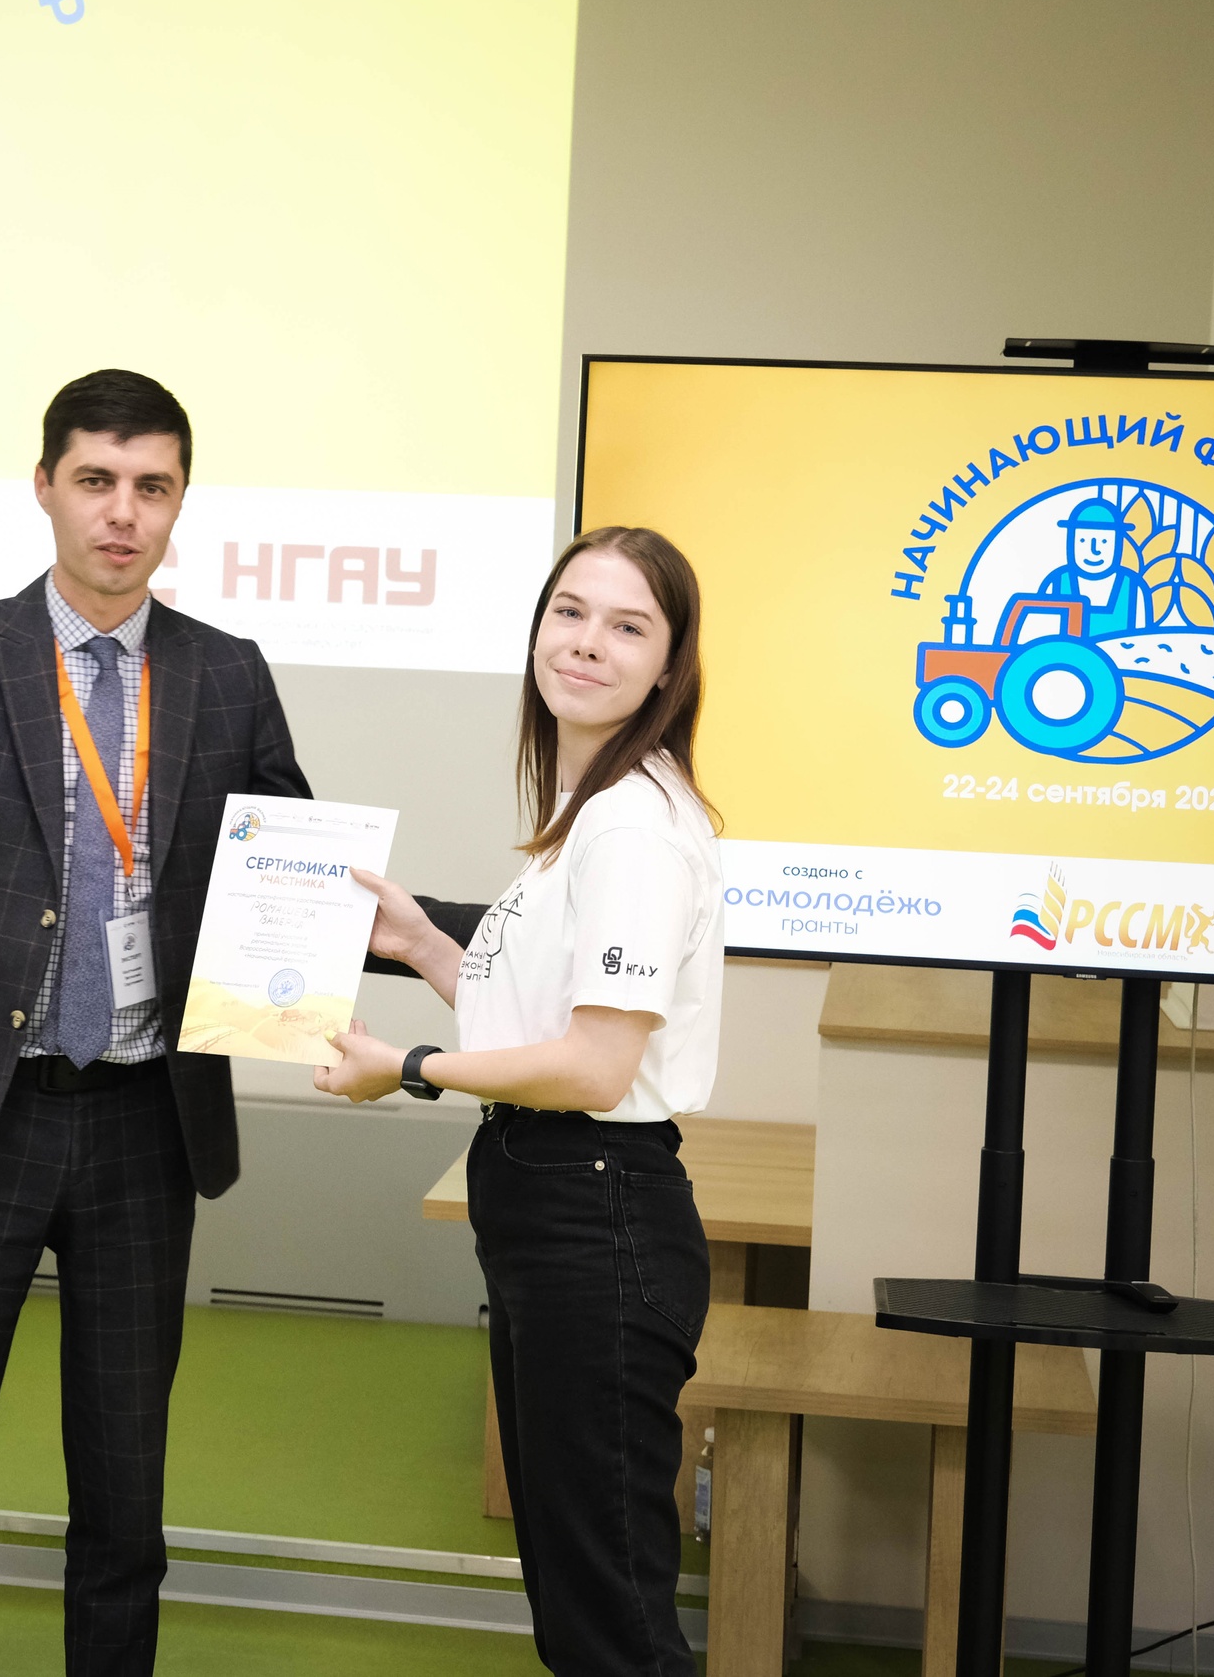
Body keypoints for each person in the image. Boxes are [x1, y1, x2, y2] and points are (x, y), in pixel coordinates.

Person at [0, 369, 311, 1675]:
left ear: (179, 500)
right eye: (96, 480)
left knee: (125, 1491)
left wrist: (455, 940)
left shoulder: (228, 676)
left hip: (146, 1127)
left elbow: (293, 883)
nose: (122, 512)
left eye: (151, 486)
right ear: (45, 486)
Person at [317, 525, 722, 1677]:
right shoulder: (586, 814)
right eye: (569, 613)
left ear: (669, 665)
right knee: (580, 1606)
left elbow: (592, 1071)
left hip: (598, 1214)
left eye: (626, 626)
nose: (586, 643)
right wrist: (421, 945)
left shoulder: (632, 826)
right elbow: (541, 1022)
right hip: (560, 1209)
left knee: (610, 1623)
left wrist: (407, 1067)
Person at [1029, 496, 1148, 639]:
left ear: (1118, 543)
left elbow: (1142, 639)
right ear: (1071, 541)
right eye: (1083, 540)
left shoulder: (1132, 587)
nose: (1094, 550)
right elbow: (1041, 636)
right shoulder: (1057, 583)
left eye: (1104, 541)